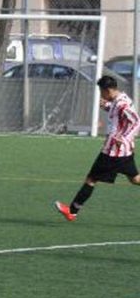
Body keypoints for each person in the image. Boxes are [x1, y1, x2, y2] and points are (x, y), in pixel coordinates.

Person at [55, 74, 140, 221]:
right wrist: (107, 107)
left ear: (108, 90)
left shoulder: (122, 104)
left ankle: (72, 210)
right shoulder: (118, 100)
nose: (101, 95)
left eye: (101, 91)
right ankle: (72, 210)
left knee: (91, 179)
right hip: (123, 151)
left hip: (114, 151)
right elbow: (118, 116)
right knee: (135, 179)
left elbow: (136, 121)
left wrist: (124, 138)